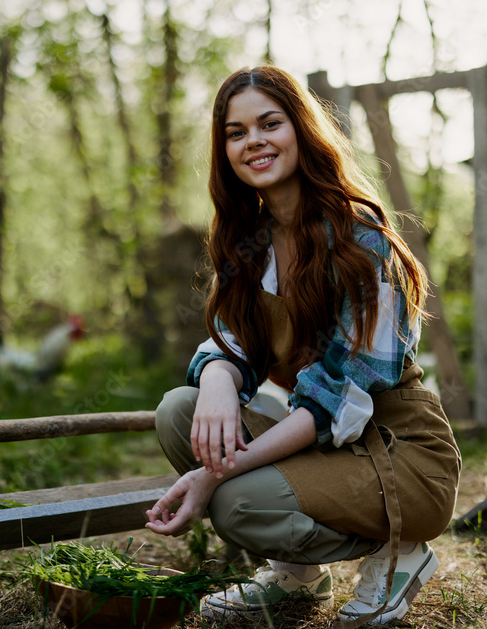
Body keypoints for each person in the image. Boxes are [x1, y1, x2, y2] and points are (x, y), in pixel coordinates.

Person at [145, 66, 461, 628]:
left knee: (235, 503)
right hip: (323, 444)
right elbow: (231, 340)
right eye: (236, 133)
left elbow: (329, 406)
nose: (254, 141)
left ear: (302, 129)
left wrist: (213, 474)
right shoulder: (250, 238)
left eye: (270, 123)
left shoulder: (361, 240)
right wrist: (218, 379)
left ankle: (400, 552)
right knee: (180, 411)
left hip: (397, 453)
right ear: (225, 151)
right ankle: (299, 576)